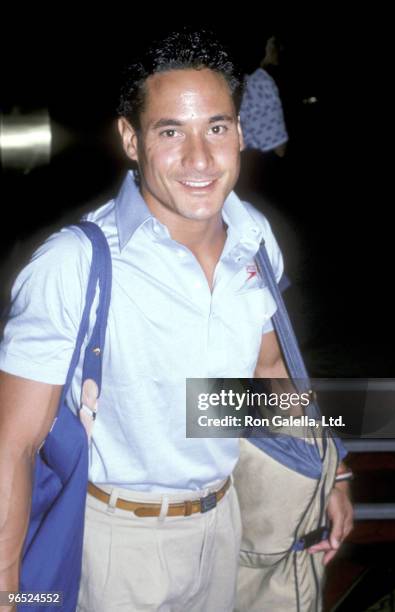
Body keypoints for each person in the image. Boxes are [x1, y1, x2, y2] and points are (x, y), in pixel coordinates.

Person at [0, 28, 353, 611]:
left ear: (240, 132)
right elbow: (12, 445)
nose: (199, 158)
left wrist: (329, 467)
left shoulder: (254, 237)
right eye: (171, 132)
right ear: (131, 139)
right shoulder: (75, 263)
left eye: (216, 127)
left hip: (224, 525)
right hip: (120, 542)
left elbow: (267, 370)